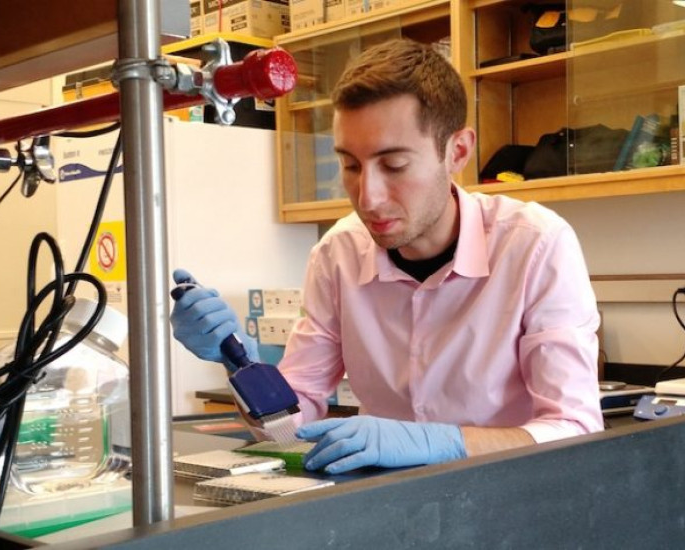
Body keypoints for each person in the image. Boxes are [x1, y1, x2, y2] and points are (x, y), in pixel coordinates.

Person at [170, 38, 603, 475]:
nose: (368, 198)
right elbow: (291, 425)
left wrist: (446, 443)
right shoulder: (337, 254)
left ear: (457, 151)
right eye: (351, 166)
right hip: (388, 506)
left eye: (394, 165)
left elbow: (577, 429)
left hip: (511, 500)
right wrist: (236, 362)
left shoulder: (535, 245)